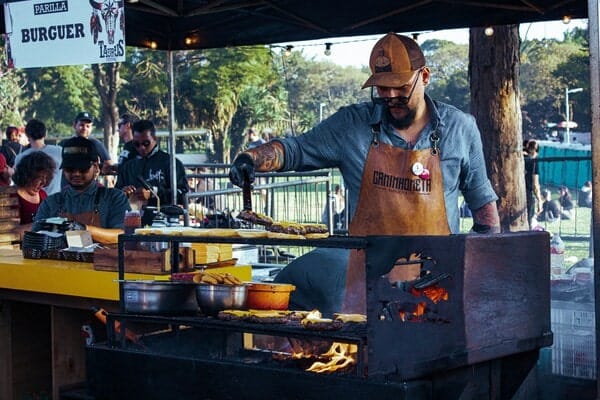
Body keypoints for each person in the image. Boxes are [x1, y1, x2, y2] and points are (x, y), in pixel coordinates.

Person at [229, 32, 500, 315]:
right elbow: (294, 149)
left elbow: (483, 206)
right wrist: (252, 158)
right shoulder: (351, 125)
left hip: (434, 286)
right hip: (367, 288)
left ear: (425, 76)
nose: (391, 97)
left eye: (400, 87)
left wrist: (481, 277)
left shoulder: (460, 129)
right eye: (382, 88)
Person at [32, 136, 130, 245]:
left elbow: (122, 235)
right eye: (70, 169)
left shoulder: (115, 198)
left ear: (96, 167)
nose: (76, 173)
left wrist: (82, 229)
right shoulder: (50, 203)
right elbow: (36, 236)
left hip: (102, 261)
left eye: (83, 168)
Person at [116, 119, 189, 208]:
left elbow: (183, 193)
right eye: (137, 144)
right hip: (133, 218)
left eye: (146, 143)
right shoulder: (128, 166)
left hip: (163, 217)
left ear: (154, 139)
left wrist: (154, 193)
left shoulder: (171, 163)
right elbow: (116, 193)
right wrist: (123, 192)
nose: (142, 147)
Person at [12, 151, 56, 238]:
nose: (43, 182)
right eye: (40, 177)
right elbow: (10, 232)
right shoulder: (12, 197)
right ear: (28, 175)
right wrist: (41, 225)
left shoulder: (43, 195)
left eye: (46, 178)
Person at [14, 119, 63, 195]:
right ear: (45, 134)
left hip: (32, 202)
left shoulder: (20, 158)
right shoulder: (59, 152)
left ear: (27, 135)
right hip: (55, 200)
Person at [524, 139, 543, 229]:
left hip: (517, 193)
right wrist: (540, 200)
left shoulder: (521, 159)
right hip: (528, 193)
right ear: (535, 150)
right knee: (528, 220)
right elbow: (535, 183)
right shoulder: (534, 162)